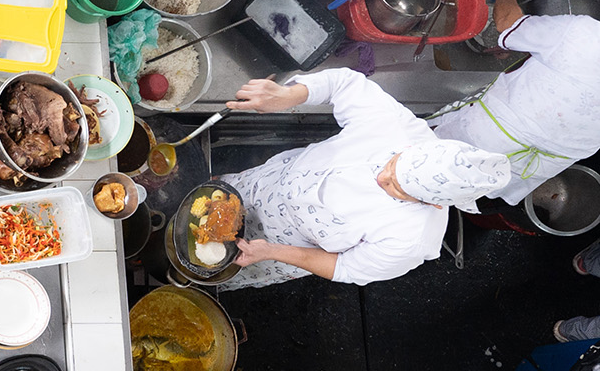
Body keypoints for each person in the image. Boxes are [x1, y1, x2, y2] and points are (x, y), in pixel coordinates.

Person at [216, 71, 512, 288]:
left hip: (276, 247)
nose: (382, 177)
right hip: (265, 185)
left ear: (432, 204)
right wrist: (289, 95)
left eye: (397, 188)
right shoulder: (396, 127)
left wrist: (273, 252)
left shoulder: (411, 239)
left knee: (210, 267)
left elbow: (345, 267)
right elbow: (344, 84)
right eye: (393, 163)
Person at [430, 0, 600, 211]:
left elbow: (506, 24)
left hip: (472, 142)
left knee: (410, 173)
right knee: (437, 201)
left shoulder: (587, 35)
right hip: (517, 179)